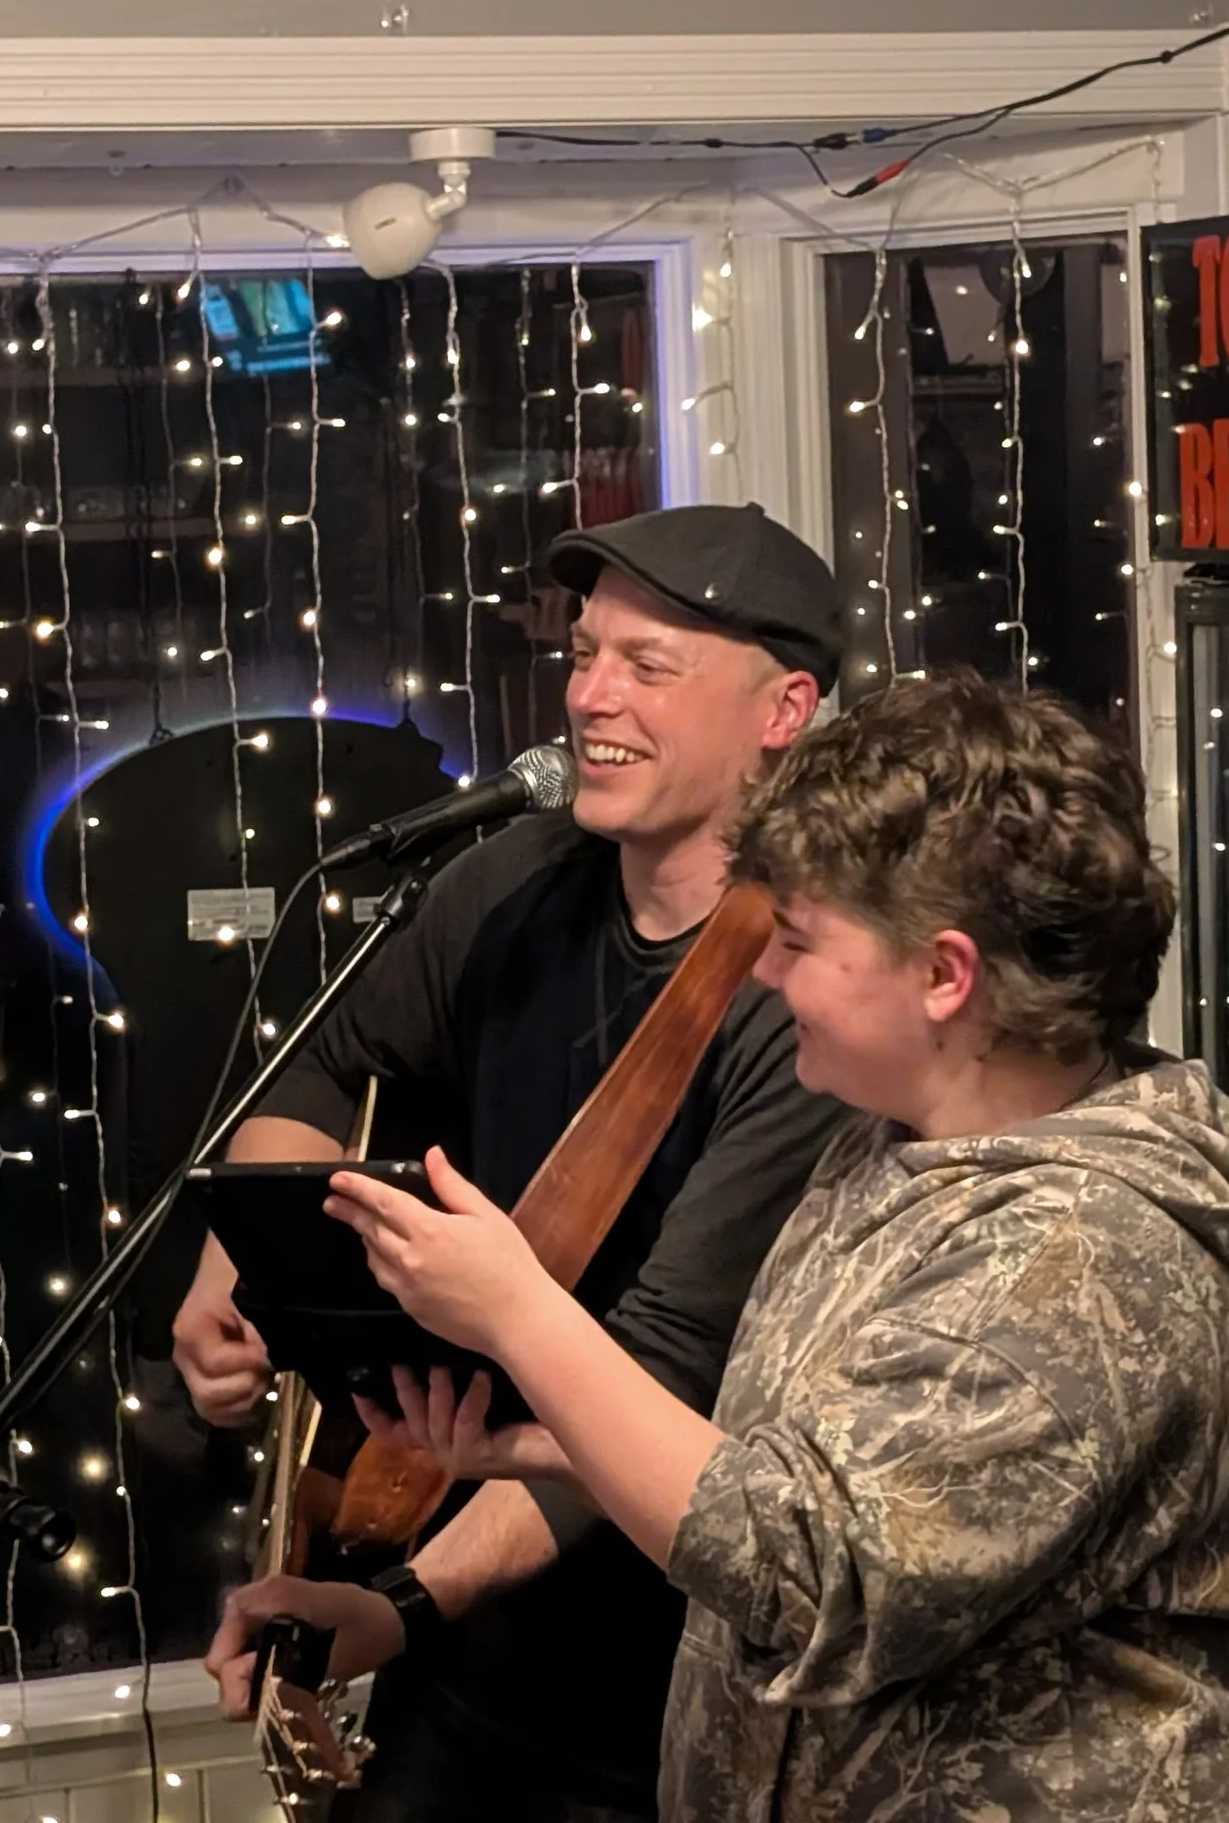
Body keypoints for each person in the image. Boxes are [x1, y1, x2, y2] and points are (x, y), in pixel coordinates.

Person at [324, 670, 1229, 1821]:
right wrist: (538, 1447)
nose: (759, 971)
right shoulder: (887, 1145)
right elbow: (793, 1462)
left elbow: (815, 1570)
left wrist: (518, 1312)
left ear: (945, 975)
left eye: (795, 940)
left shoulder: (1086, 1257)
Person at [186, 504, 854, 1821]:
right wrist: (233, 1270)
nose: (589, 695)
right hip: (468, 1621)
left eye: (647, 665)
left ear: (784, 710)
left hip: (669, 1674)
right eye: (584, 651)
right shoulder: (510, 882)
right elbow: (323, 1065)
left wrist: (401, 1600)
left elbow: (657, 1381)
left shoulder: (807, 992)